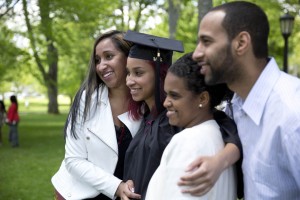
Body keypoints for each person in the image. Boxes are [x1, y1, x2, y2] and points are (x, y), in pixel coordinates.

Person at [189, 1, 300, 199]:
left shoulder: (292, 116)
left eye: (206, 42)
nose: (196, 53)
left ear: (241, 43)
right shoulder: (237, 105)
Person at [122, 30, 242, 200]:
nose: (129, 80)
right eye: (128, 72)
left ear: (161, 74)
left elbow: (223, 126)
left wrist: (222, 159)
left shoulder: (178, 122)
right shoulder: (147, 118)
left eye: (138, 73)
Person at [51, 30, 143, 200]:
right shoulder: (86, 100)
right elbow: (73, 160)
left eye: (109, 56)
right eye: (97, 60)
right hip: (78, 193)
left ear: (129, 57)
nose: (101, 66)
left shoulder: (146, 104)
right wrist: (116, 187)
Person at [146, 52, 236, 200]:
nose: (165, 103)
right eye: (166, 94)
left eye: (175, 96)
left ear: (203, 98)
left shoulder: (187, 142)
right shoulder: (220, 137)